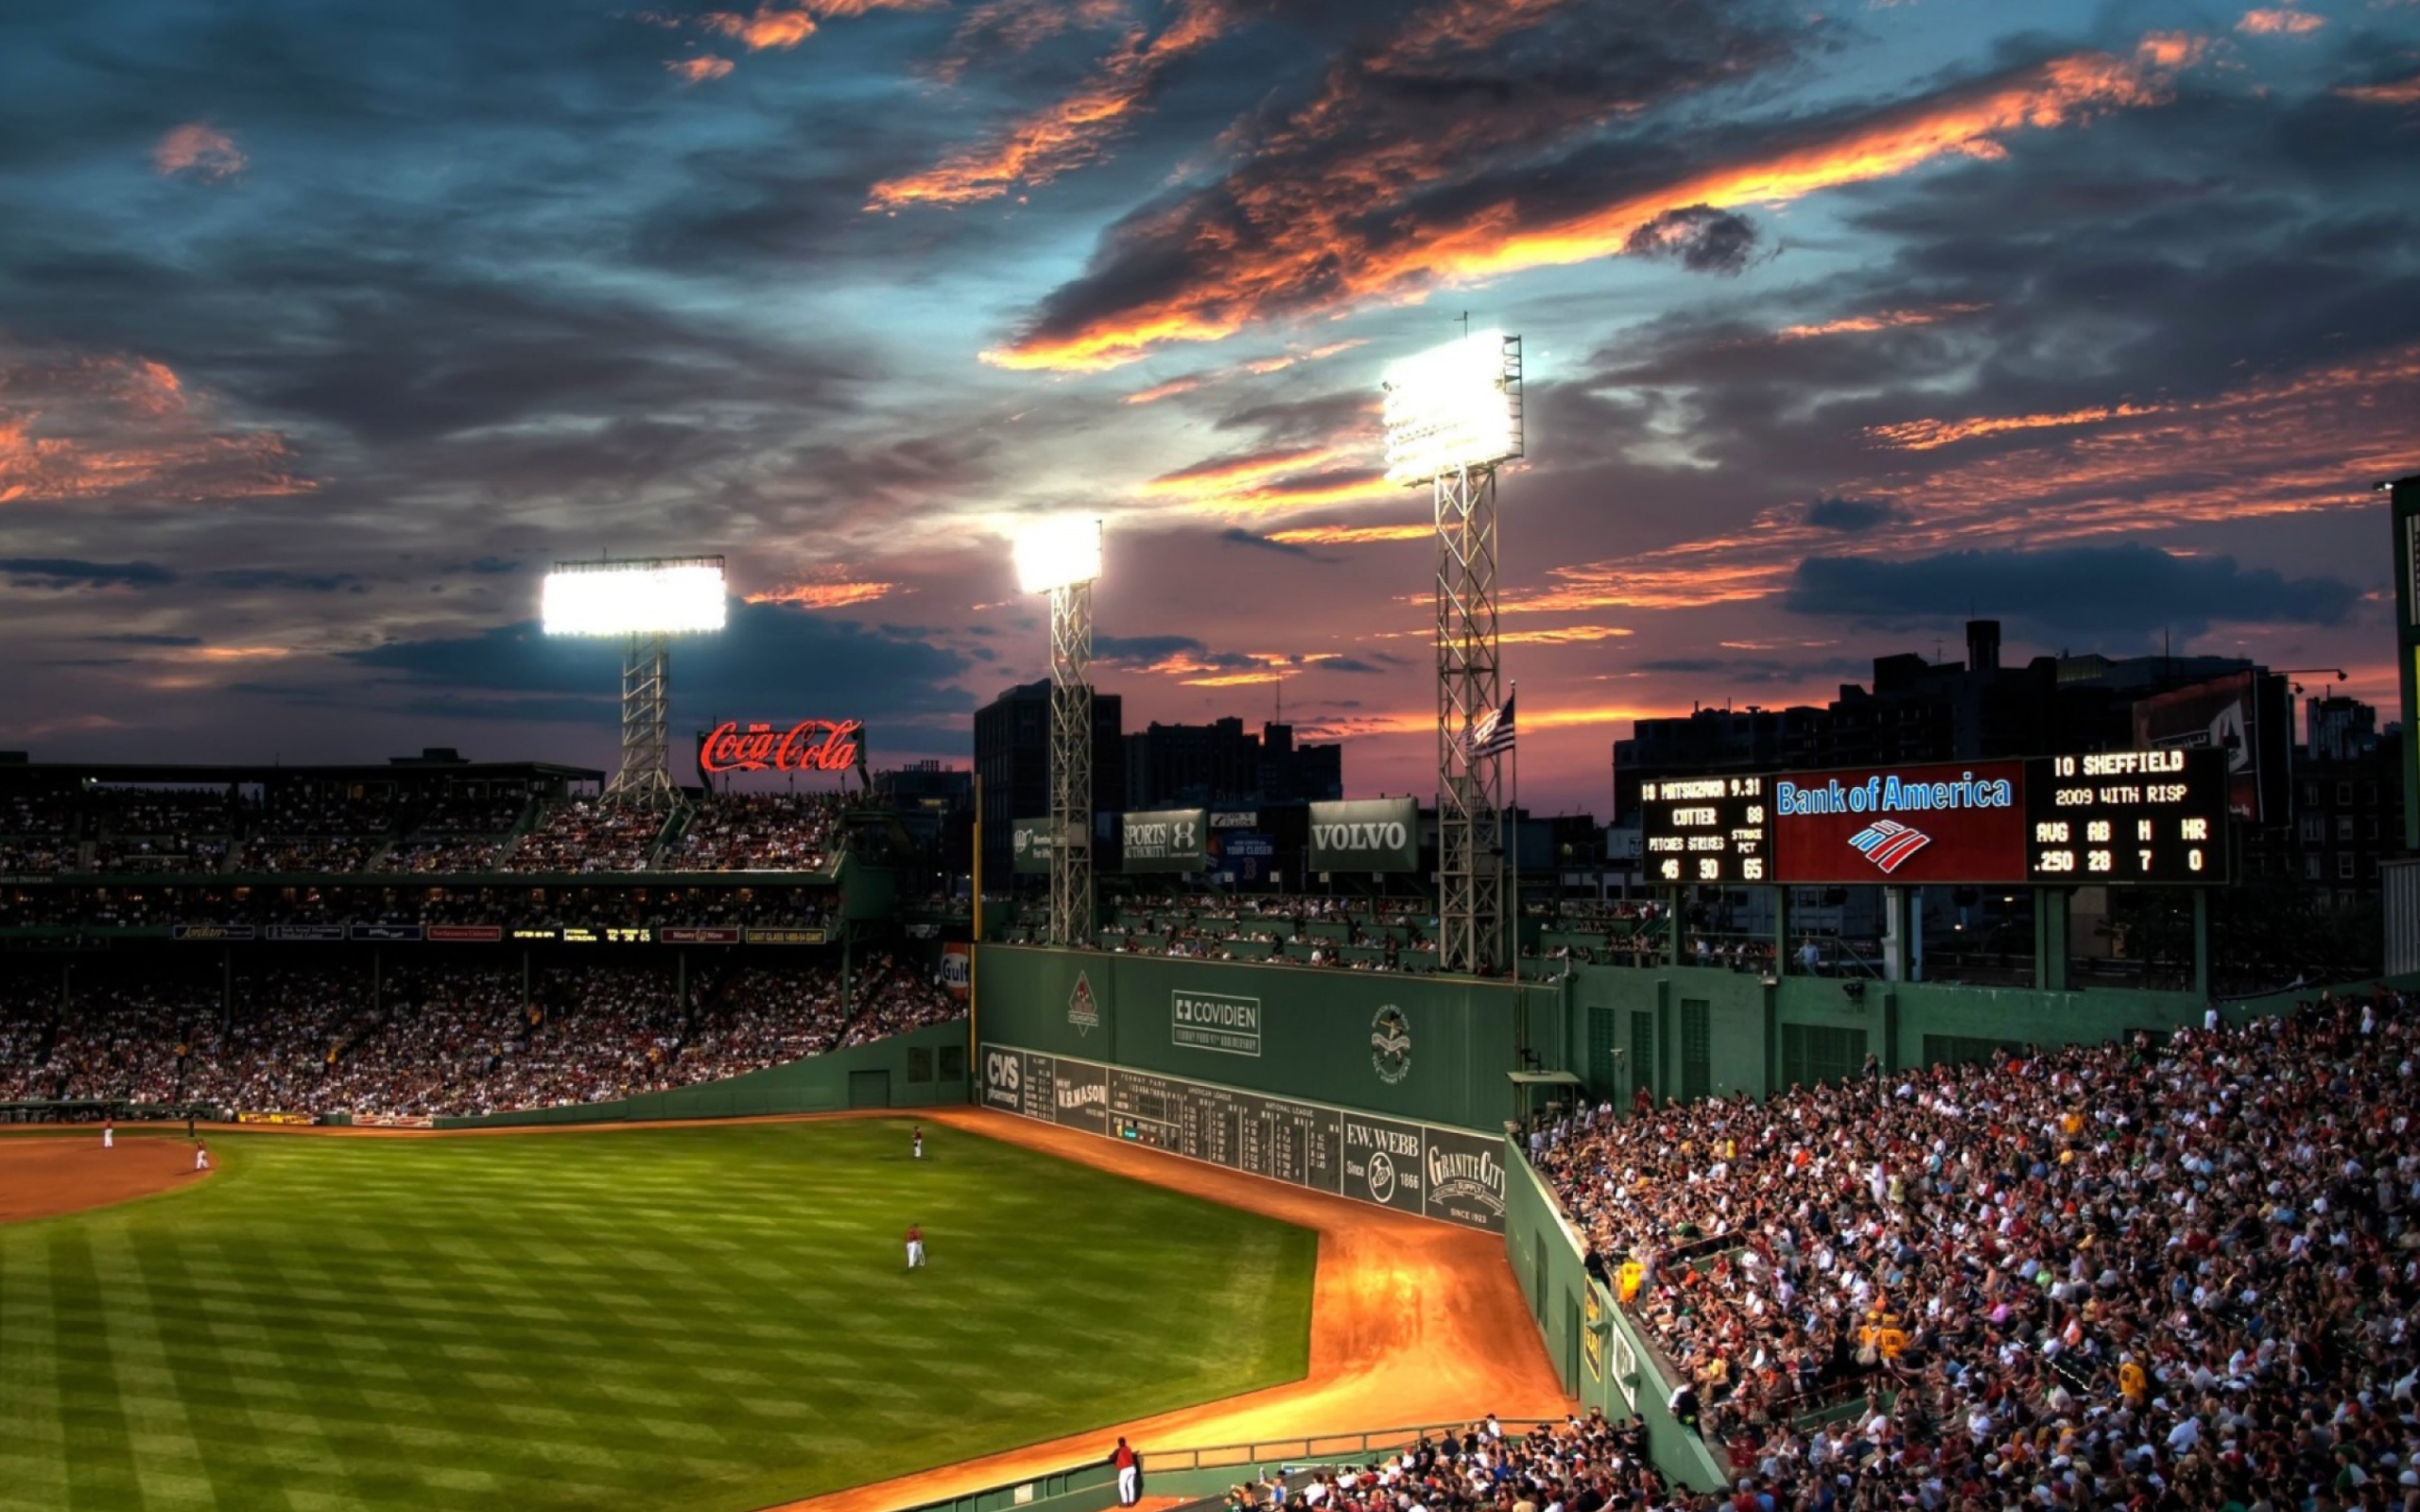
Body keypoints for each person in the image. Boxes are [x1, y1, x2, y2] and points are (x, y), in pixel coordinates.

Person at [1111, 1436, 1140, 1506]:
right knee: (1130, 1485)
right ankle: (1132, 1501)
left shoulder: (1118, 1450)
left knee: (1122, 1486)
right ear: (1125, 1442)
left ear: (1119, 1443)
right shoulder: (1128, 1448)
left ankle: (1125, 1502)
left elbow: (1111, 1457)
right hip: (1132, 1468)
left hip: (1125, 1470)